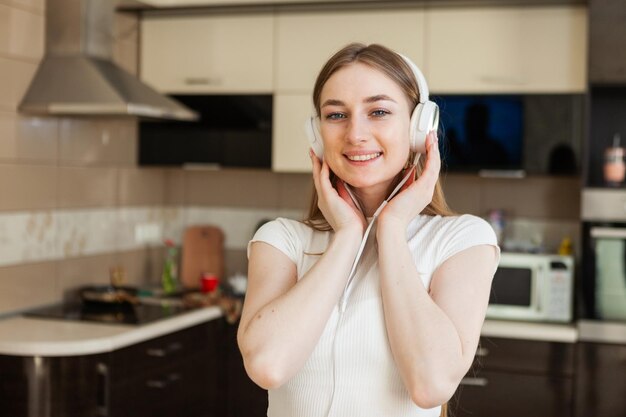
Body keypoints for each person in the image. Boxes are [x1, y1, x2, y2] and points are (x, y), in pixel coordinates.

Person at [238, 43, 500, 417]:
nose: (355, 134)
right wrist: (347, 235)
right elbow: (268, 366)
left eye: (378, 111)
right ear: (317, 134)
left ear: (419, 127)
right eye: (336, 115)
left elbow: (431, 386)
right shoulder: (281, 241)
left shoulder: (462, 241)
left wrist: (390, 228)